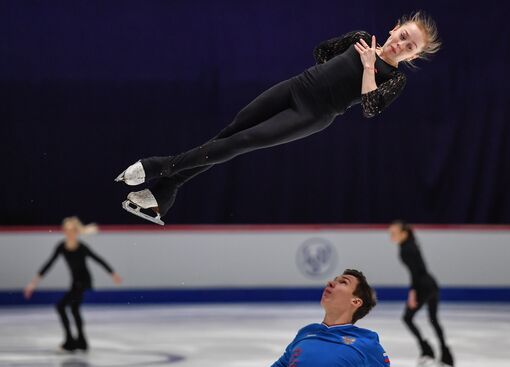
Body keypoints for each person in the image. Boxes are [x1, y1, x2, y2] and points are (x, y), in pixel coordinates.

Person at [115, 10, 441, 224]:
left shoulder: (394, 78)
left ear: (414, 56)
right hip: (295, 87)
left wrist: (369, 67)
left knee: (242, 142)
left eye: (409, 46)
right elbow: (323, 52)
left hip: (312, 114)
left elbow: (371, 108)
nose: (401, 44)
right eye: (403, 36)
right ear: (395, 28)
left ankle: (159, 166)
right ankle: (164, 193)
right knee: (230, 133)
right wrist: (326, 75)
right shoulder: (359, 37)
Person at [23, 217, 122, 352]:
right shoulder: (61, 247)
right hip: (75, 282)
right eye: (67, 230)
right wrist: (33, 283)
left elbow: (98, 259)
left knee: (61, 306)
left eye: (72, 230)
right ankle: (81, 342)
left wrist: (113, 274)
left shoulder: (82, 248)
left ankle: (70, 342)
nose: (69, 233)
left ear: (77, 232)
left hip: (84, 281)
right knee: (74, 309)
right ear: (64, 231)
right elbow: (49, 264)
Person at [271, 269, 389, 367]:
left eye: (343, 282)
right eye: (334, 280)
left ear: (356, 301)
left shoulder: (366, 343)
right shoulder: (306, 332)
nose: (330, 283)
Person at [388, 221, 454, 366]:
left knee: (407, 318)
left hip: (422, 286)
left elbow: (415, 273)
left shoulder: (406, 249)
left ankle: (426, 350)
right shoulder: (410, 244)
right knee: (433, 320)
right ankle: (446, 356)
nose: (390, 236)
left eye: (393, 233)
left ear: (404, 233)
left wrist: (413, 293)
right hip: (431, 284)